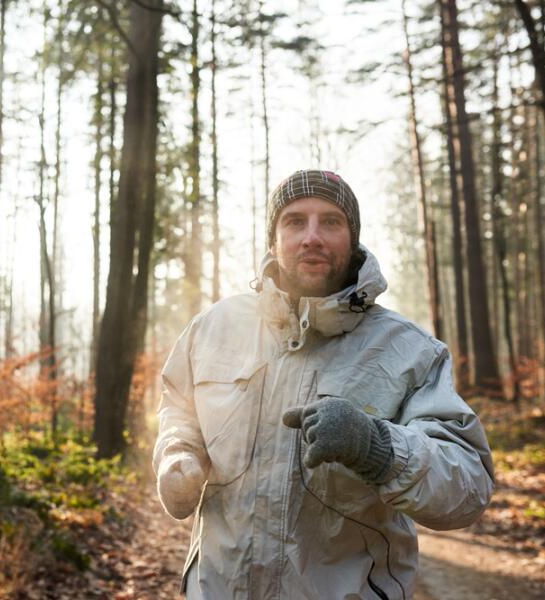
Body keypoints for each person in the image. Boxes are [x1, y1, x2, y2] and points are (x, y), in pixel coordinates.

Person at [153, 169, 494, 599]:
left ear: (352, 239)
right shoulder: (213, 327)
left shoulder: (410, 351)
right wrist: (177, 453)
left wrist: (378, 449)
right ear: (273, 240)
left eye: (330, 222)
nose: (311, 236)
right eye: (295, 221)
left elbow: (467, 490)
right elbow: (178, 409)